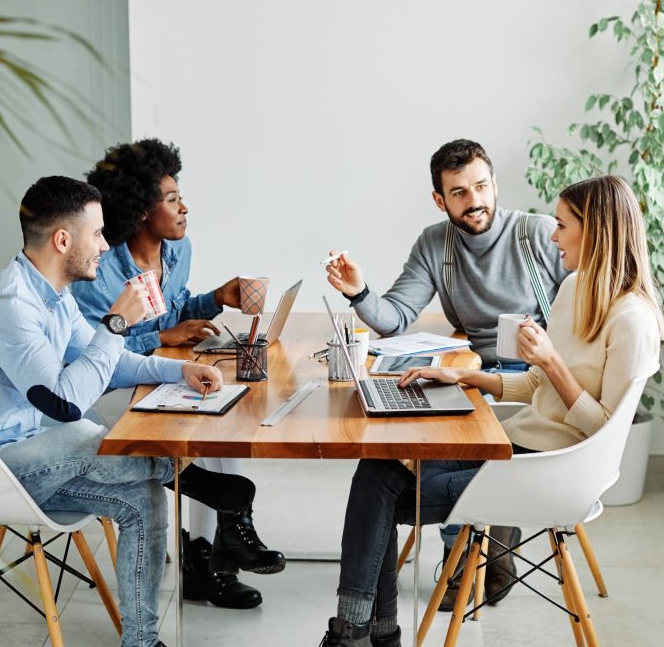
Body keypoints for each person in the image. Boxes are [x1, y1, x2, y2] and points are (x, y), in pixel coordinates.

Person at [319, 175, 662, 646]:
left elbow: (602, 431)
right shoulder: (576, 288)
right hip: (514, 445)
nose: (552, 235)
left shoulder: (634, 321)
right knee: (377, 465)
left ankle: (357, 633)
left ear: (596, 230)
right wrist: (464, 377)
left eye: (561, 225)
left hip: (551, 470)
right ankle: (368, 632)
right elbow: (537, 384)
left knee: (376, 502)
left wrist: (551, 361)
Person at [0, 175, 264, 647]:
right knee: (87, 429)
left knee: (143, 500)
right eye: (98, 234)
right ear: (63, 240)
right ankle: (188, 477)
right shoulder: (10, 303)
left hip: (34, 454)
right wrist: (117, 322)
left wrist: (175, 373)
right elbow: (62, 403)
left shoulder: (55, 294)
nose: (105, 245)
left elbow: (105, 363)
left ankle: (141, 641)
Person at [326, 139, 570, 608]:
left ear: (495, 184)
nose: (474, 199)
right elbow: (396, 314)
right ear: (441, 200)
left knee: (452, 441)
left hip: (536, 375)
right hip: (471, 371)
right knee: (397, 441)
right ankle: (476, 548)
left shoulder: (537, 234)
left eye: (481, 186)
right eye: (459, 192)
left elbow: (581, 313)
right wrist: (359, 292)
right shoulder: (436, 244)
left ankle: (474, 557)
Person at [71, 138, 284, 610]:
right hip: (105, 388)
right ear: (141, 211)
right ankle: (211, 559)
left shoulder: (177, 250)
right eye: (171, 199)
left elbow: (173, 312)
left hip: (156, 372)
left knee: (221, 418)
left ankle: (207, 558)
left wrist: (216, 299)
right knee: (204, 428)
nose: (184, 207)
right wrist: (161, 340)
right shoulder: (101, 269)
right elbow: (93, 349)